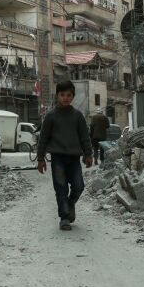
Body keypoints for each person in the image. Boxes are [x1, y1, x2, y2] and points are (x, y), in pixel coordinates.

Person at [37, 80, 93, 231]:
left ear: (73, 97)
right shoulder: (51, 117)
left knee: (79, 186)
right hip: (58, 159)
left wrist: (88, 154)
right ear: (57, 96)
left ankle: (70, 204)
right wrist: (40, 159)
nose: (65, 98)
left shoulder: (78, 116)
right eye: (62, 95)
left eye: (69, 95)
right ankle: (64, 217)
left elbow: (85, 137)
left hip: (74, 158)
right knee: (61, 188)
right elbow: (43, 139)